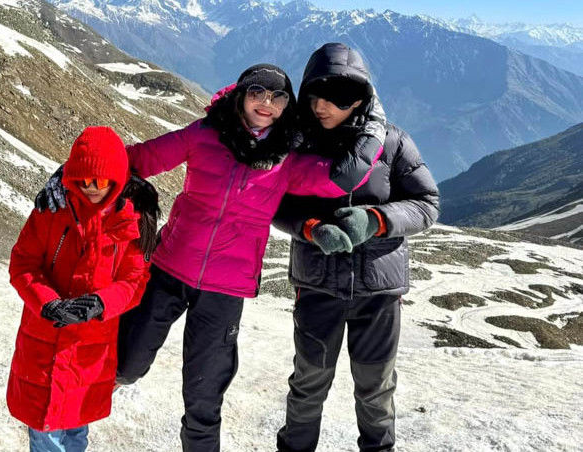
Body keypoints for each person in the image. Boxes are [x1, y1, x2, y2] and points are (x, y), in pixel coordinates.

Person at [37, 63, 386, 452]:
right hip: (169, 270)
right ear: (240, 94)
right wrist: (68, 173)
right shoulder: (204, 135)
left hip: (225, 290)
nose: (266, 103)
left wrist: (373, 127)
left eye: (278, 97)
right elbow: (137, 160)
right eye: (257, 92)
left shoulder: (287, 160)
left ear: (288, 107)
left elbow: (345, 176)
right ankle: (66, 432)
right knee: (124, 365)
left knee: (204, 398)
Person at [272, 43, 440, 452]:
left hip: (378, 295)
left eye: (335, 98)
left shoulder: (394, 143)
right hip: (317, 288)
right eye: (315, 95)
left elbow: (427, 204)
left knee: (375, 390)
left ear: (361, 97)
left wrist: (377, 220)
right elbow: (276, 204)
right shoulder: (297, 143)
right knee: (308, 385)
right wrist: (310, 228)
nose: (321, 106)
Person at [6, 126, 158, 452]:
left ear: (116, 178)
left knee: (76, 429)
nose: (90, 189)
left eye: (100, 182)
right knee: (44, 429)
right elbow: (23, 263)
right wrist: (47, 304)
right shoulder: (51, 211)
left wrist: (99, 304)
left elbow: (134, 283)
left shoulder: (132, 223)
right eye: (83, 180)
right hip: (43, 344)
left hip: (90, 351)